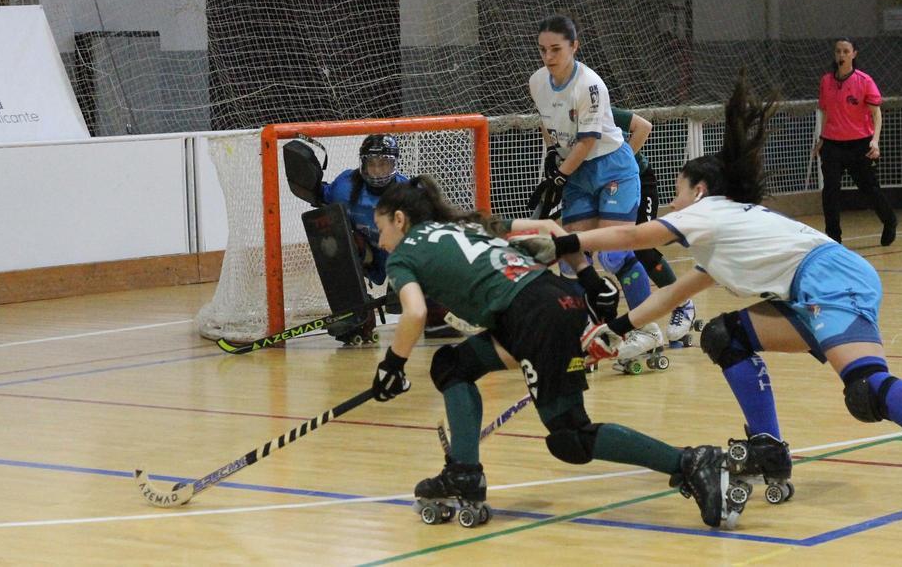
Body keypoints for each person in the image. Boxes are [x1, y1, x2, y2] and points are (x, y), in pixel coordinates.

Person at [521, 72, 902, 532]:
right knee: (727, 337)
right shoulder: (721, 237)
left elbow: (634, 235)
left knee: (866, 388)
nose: (672, 203)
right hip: (809, 288)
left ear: (700, 191)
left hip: (827, 279)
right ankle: (768, 448)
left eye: (677, 193)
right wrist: (614, 332)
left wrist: (565, 243)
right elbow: (671, 296)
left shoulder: (709, 212)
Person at [366, 176, 739, 529]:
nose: (381, 242)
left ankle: (691, 462)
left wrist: (392, 366)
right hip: (554, 302)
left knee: (570, 436)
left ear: (400, 220)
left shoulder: (403, 255)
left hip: (533, 319)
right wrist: (589, 278)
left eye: (381, 229)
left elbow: (414, 313)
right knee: (452, 365)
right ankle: (462, 472)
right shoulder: (466, 225)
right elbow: (550, 228)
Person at [526, 14, 663, 357]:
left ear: (574, 46)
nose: (548, 57)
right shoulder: (537, 81)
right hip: (576, 171)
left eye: (556, 49)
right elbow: (548, 124)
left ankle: (647, 329)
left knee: (615, 254)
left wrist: (560, 176)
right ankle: (581, 332)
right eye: (542, 50)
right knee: (571, 255)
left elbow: (587, 142)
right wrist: (552, 155)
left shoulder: (589, 85)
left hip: (611, 167)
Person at [313, 134, 452, 343]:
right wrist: (307, 177)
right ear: (363, 164)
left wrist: (406, 274)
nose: (378, 171)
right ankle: (355, 316)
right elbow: (318, 194)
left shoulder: (410, 194)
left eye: (384, 164)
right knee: (334, 243)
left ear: (395, 164)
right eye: (372, 164)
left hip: (401, 253)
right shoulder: (344, 187)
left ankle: (435, 314)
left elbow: (430, 239)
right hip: (367, 253)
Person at [612, 106, 698, 348]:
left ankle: (682, 303)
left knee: (642, 246)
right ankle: (638, 327)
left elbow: (644, 127)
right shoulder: (559, 116)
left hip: (637, 179)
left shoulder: (600, 107)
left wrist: (622, 167)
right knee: (612, 253)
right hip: (607, 188)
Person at [814, 38, 898, 246]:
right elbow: (825, 112)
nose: (841, 55)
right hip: (832, 144)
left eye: (846, 51)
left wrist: (875, 141)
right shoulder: (826, 81)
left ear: (854, 54)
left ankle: (889, 220)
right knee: (830, 190)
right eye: (838, 51)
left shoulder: (864, 81)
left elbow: (876, 114)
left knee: (869, 188)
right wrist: (822, 138)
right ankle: (833, 237)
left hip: (859, 144)